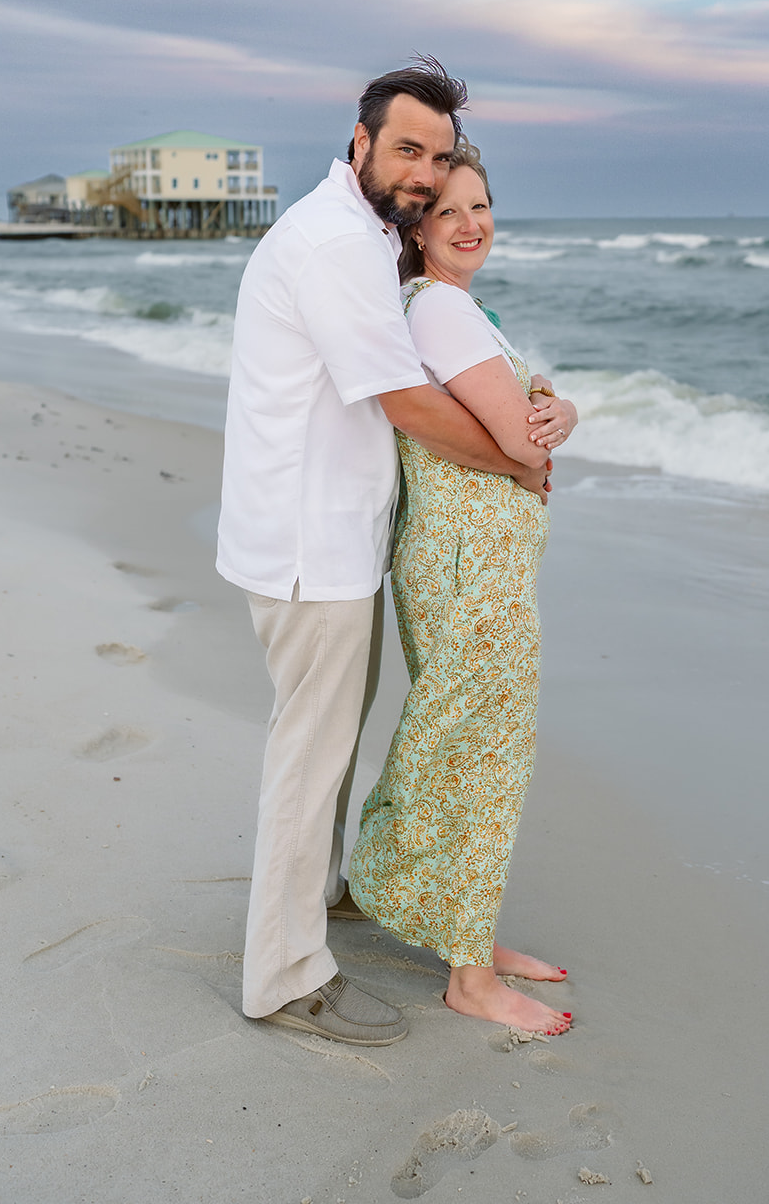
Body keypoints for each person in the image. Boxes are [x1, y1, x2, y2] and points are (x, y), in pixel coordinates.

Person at [217, 59, 550, 1049]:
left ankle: (322, 893)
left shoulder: (365, 240)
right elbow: (404, 399)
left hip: (334, 539)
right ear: (358, 142)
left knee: (329, 739)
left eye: (438, 157)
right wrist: (515, 461)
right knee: (308, 750)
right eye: (407, 149)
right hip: (303, 544)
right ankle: (281, 975)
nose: (422, 172)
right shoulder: (329, 242)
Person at [348, 144, 580, 1036]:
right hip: (464, 564)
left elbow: (536, 414)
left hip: (471, 560)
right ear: (416, 227)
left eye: (480, 206)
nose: (471, 224)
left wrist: (562, 410)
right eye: (448, 211)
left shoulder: (455, 308)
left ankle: (465, 934)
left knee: (479, 747)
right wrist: (540, 438)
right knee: (476, 754)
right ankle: (467, 974)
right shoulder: (438, 310)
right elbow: (523, 443)